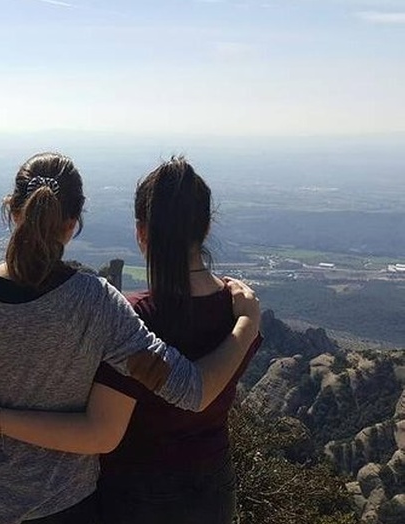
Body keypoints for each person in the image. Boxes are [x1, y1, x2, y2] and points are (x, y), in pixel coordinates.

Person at [0, 152, 260, 524]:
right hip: (64, 505)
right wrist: (247, 322)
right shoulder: (98, 304)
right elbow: (192, 390)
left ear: (12, 211)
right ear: (72, 225)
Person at [92, 157, 260, 524]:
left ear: (141, 232)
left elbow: (101, 426)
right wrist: (248, 322)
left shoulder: (133, 318)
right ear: (206, 226)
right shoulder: (237, 309)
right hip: (214, 486)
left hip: (136, 489)